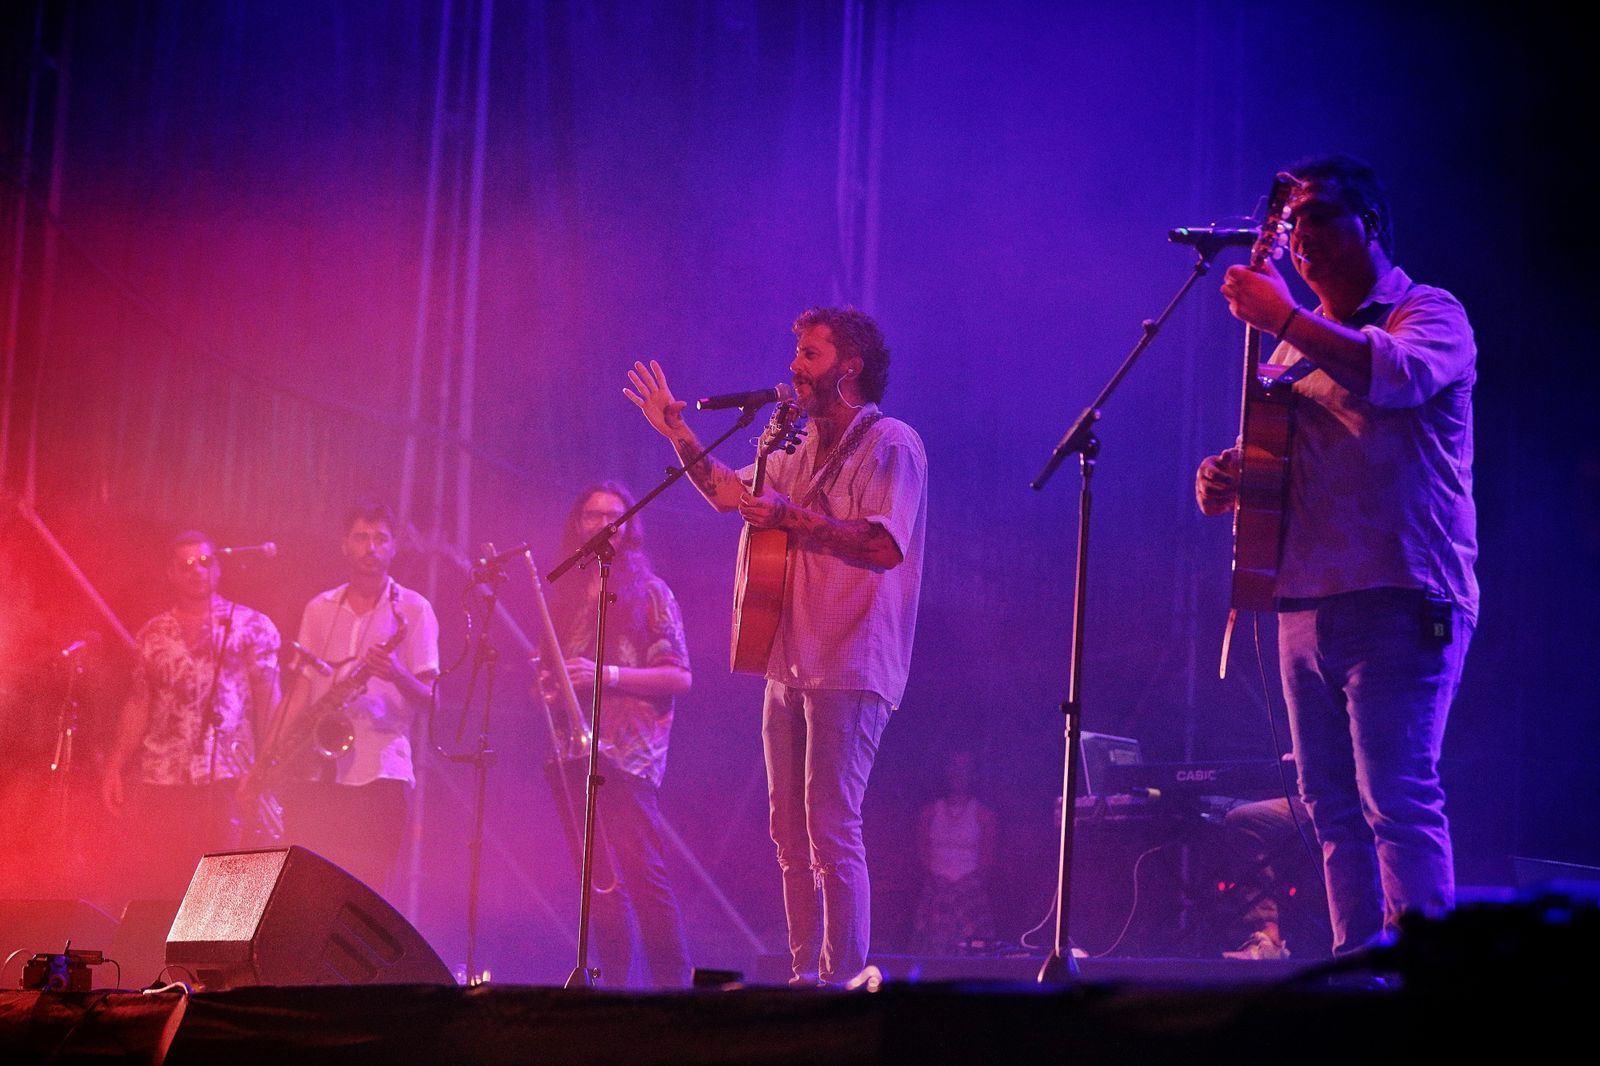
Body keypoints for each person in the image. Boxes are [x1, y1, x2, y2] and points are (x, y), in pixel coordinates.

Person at [1196, 155, 1477, 955]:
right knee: (1330, 809)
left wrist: (1285, 318)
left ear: (1370, 225)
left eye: (1319, 216)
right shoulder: (1294, 346)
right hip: (1304, 599)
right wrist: (1231, 475)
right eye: (1293, 224)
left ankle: (1422, 980)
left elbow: (1394, 375)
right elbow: (1295, 456)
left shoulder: (1428, 312)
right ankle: (1357, 975)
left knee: (1397, 797)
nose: (1300, 236)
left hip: (1401, 594)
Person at [625, 306, 928, 986]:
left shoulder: (892, 443)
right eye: (797, 353)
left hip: (850, 661)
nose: (794, 366)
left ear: (849, 368)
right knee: (788, 834)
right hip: (788, 661)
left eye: (810, 354)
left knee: (831, 826)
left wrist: (791, 518)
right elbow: (727, 494)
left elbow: (884, 544)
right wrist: (678, 432)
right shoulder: (793, 444)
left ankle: (841, 981)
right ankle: (801, 978)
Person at [535, 482, 694, 989]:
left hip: (629, 755)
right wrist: (551, 686)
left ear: (630, 526)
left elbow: (679, 677)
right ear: (578, 524)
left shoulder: (651, 593)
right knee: (597, 882)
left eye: (615, 515)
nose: (604, 523)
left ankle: (674, 991)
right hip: (572, 752)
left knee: (643, 874)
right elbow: (559, 675)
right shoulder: (565, 596)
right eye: (593, 514)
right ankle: (612, 988)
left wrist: (606, 675)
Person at [268, 500, 439, 896]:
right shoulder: (319, 608)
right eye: (361, 538)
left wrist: (396, 673)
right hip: (318, 773)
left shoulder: (415, 610)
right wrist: (274, 754)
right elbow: (302, 689)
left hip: (381, 776)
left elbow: (432, 700)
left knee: (365, 896)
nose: (371, 548)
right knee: (308, 892)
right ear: (344, 544)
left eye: (381, 538)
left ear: (394, 546)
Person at [100, 531, 280, 897]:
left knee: (219, 890)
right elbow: (138, 703)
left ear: (218, 568)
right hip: (162, 779)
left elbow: (270, 704)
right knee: (161, 888)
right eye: (185, 565)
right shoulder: (153, 634)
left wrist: (265, 768)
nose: (196, 570)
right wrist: (115, 765)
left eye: (204, 562)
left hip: (227, 777)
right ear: (171, 573)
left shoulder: (251, 626)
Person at [912, 749, 997, 955]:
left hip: (970, 892)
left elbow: (988, 860)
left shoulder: (983, 814)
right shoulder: (930, 812)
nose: (958, 774)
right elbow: (921, 854)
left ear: (972, 774)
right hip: (936, 891)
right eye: (954, 768)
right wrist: (939, 883)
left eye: (964, 769)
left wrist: (963, 887)